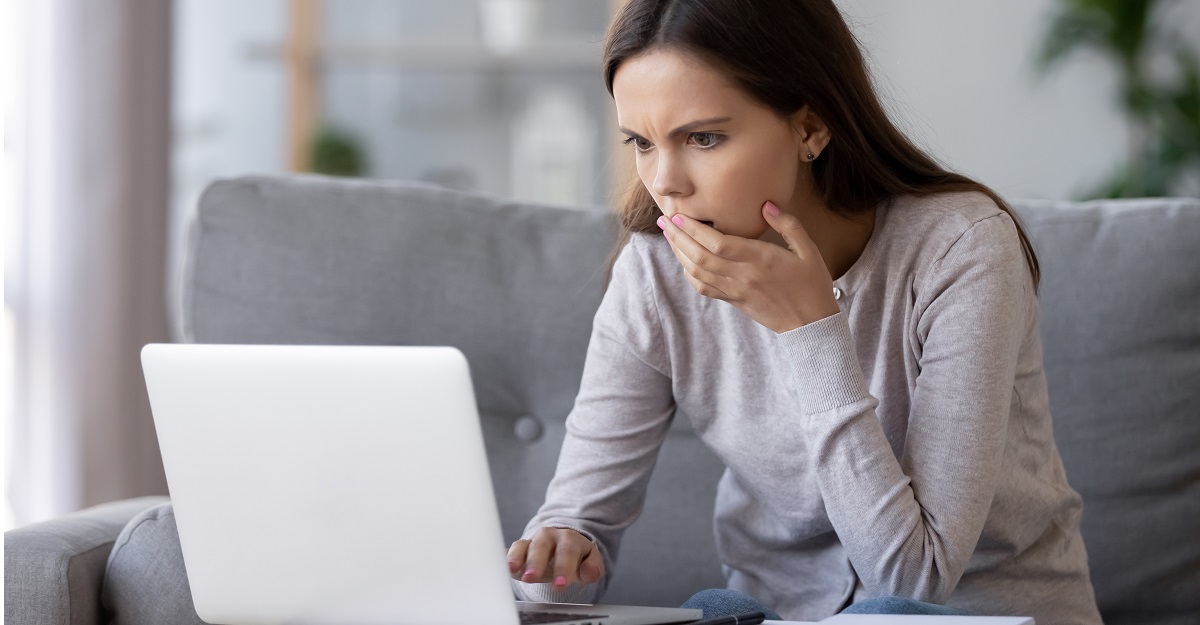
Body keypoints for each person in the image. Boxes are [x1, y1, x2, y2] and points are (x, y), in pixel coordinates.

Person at [505, 1, 1103, 623]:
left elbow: (913, 581)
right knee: (712, 611)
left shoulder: (962, 248)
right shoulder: (655, 273)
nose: (666, 183)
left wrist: (810, 331)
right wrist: (559, 557)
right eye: (642, 143)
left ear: (811, 128)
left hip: (974, 610)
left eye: (703, 138)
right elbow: (573, 537)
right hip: (781, 615)